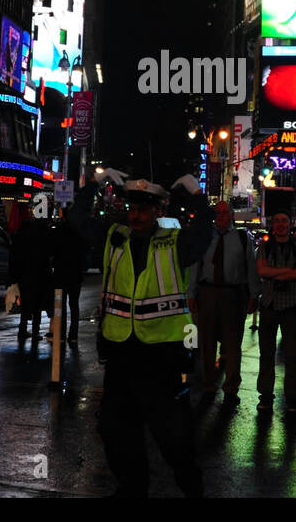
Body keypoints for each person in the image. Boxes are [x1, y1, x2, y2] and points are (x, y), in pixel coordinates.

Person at [69, 170, 211, 498]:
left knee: (173, 435)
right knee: (116, 430)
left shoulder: (175, 242)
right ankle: (133, 488)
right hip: (121, 353)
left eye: (145, 209)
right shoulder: (113, 236)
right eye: (133, 208)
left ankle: (192, 486)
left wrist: (196, 194)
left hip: (163, 355)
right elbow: (77, 220)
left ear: (157, 211)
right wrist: (94, 182)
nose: (137, 215)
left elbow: (205, 232)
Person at [187, 201, 257, 407]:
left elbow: (251, 268)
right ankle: (208, 386)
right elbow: (195, 266)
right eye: (217, 213)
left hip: (233, 294)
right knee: (206, 343)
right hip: (207, 292)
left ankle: (231, 388)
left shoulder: (243, 238)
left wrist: (254, 294)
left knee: (233, 344)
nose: (220, 216)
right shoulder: (205, 237)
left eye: (224, 212)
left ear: (232, 215)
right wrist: (191, 293)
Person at [255, 210, 296, 415]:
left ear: (290, 223)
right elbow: (261, 272)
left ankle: (293, 397)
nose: (280, 224)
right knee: (266, 354)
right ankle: (265, 396)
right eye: (276, 220)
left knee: (293, 355)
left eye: (284, 221)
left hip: (292, 305)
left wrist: (273, 273)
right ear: (272, 224)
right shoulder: (265, 246)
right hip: (269, 304)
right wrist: (287, 272)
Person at [51, 205, 89, 342]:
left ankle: (60, 334)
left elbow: (52, 250)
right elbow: (84, 252)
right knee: (74, 305)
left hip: (61, 274)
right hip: (75, 274)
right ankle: (73, 335)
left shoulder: (59, 231)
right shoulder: (79, 233)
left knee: (60, 305)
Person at [12, 213, 53, 340]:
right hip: (40, 276)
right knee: (37, 306)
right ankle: (35, 331)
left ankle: (22, 329)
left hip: (26, 275)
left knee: (26, 304)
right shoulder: (44, 236)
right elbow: (48, 257)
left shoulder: (24, 236)